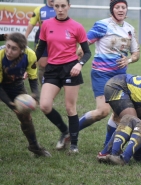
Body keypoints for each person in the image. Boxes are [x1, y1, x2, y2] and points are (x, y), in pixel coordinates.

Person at [77, 0, 140, 146]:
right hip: (101, 74)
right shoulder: (102, 25)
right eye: (117, 7)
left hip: (119, 78)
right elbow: (84, 44)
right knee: (102, 111)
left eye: (123, 7)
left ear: (126, 10)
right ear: (112, 10)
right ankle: (71, 132)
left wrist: (129, 60)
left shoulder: (130, 29)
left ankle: (107, 147)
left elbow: (136, 54)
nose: (120, 10)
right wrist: (78, 56)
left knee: (118, 114)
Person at [35, 0, 91, 154]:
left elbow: (87, 52)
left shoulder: (77, 26)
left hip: (70, 69)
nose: (60, 9)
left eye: (63, 6)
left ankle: (74, 145)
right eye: (57, 6)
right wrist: (30, 65)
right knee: (45, 105)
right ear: (53, 7)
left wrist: (79, 64)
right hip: (52, 69)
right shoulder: (46, 25)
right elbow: (40, 49)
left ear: (68, 6)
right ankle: (64, 130)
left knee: (70, 108)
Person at [0, 32, 51, 157]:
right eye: (8, 46)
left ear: (22, 50)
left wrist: (35, 95)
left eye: (14, 48)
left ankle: (34, 146)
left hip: (15, 85)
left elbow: (33, 78)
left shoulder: (30, 55)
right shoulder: (0, 56)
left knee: (26, 118)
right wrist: (11, 104)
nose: (9, 51)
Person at [25, 0, 56, 85]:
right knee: (42, 65)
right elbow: (31, 23)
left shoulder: (59, 9)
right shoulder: (40, 9)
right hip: (43, 41)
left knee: (56, 64)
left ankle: (55, 83)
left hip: (57, 42)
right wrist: (26, 36)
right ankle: (44, 85)